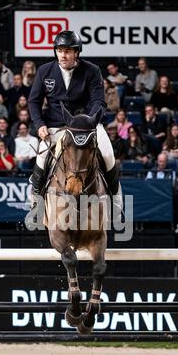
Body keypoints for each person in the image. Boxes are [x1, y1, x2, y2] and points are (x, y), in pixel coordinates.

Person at [28, 30, 122, 222]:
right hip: (56, 126)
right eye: (60, 50)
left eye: (68, 51)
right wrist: (39, 125)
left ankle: (116, 204)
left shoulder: (92, 70)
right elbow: (33, 102)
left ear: (77, 53)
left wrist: (87, 120)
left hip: (86, 126)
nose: (63, 55)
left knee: (107, 154)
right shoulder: (44, 71)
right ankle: (36, 205)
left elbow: (99, 101)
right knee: (42, 157)